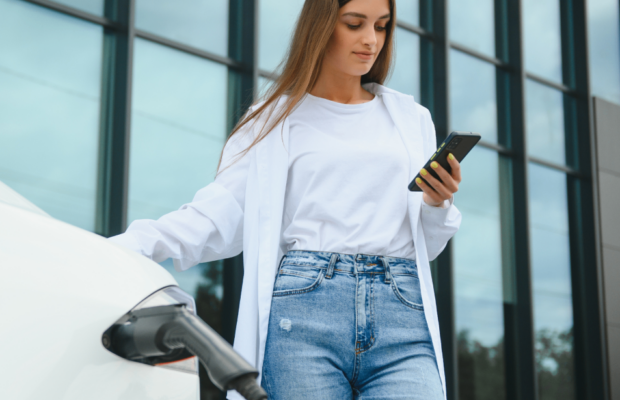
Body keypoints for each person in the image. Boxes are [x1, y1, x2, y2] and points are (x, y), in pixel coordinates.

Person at [108, 0, 462, 398]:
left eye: (381, 26)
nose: (370, 40)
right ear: (321, 25)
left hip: (401, 314)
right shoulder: (272, 121)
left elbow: (425, 247)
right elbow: (216, 214)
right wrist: (126, 247)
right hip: (306, 314)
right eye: (354, 24)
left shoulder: (410, 119)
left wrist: (437, 204)